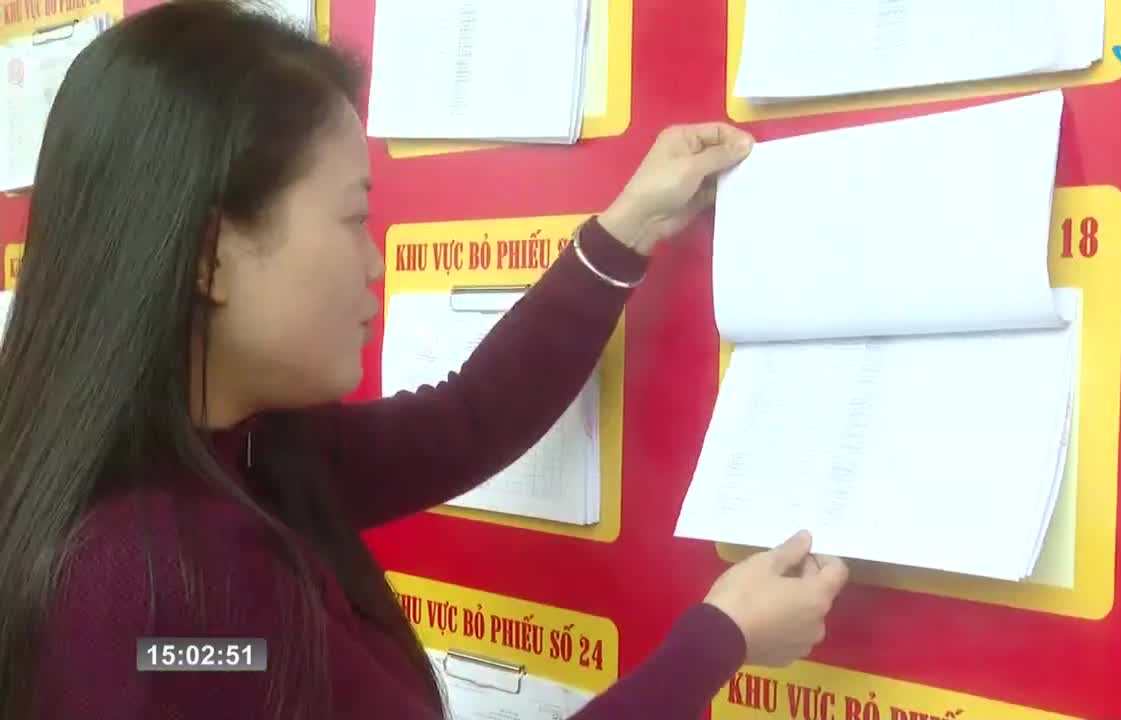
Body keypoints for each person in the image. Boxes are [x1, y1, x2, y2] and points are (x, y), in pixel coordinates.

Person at [0, 1, 850, 718]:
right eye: (349, 218)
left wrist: (622, 234)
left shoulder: (237, 453)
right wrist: (719, 642)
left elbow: (465, 422)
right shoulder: (169, 606)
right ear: (210, 257)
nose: (377, 262)